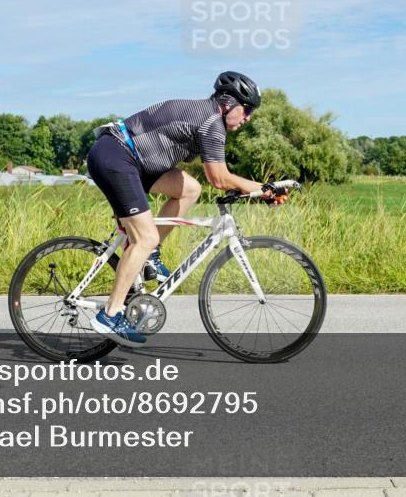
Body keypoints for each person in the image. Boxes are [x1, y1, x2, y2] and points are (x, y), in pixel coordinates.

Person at [85, 71, 271, 347]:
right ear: (229, 103)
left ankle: (149, 257)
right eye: (246, 110)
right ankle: (110, 314)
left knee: (190, 189)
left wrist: (255, 190)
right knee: (144, 238)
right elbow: (219, 178)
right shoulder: (211, 123)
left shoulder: (207, 115)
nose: (248, 118)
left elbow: (213, 180)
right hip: (116, 158)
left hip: (134, 161)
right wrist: (262, 189)